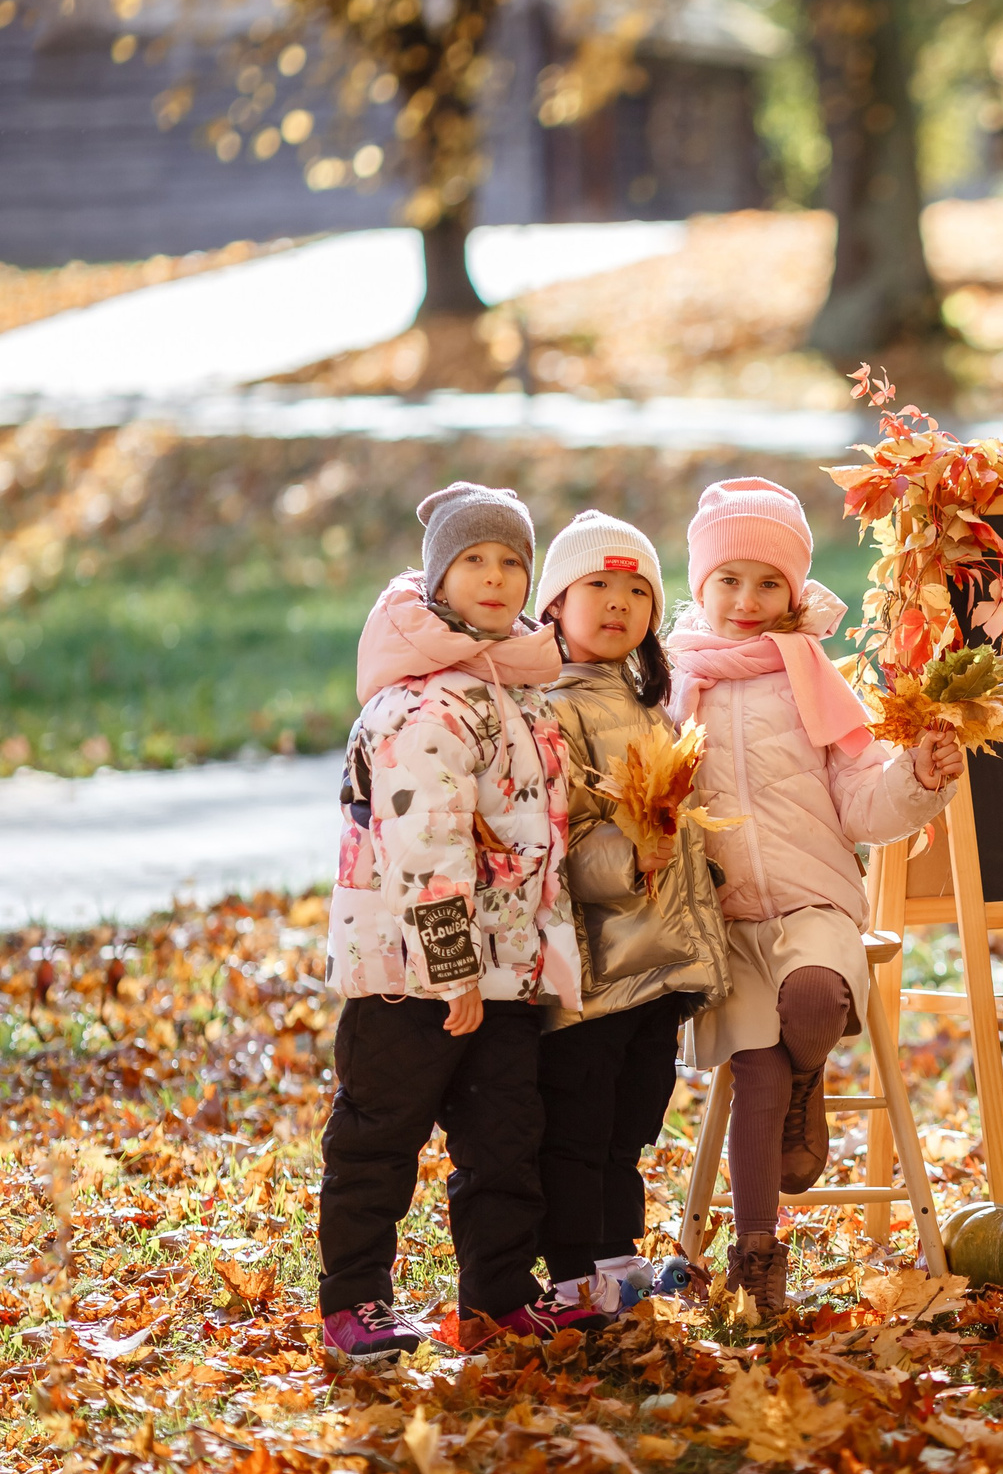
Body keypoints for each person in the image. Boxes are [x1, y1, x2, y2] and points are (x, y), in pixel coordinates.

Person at [316, 483, 604, 1363]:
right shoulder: (425, 703)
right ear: (438, 578)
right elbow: (426, 844)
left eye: (511, 561)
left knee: (505, 1140)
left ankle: (497, 1297)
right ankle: (355, 1299)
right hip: (411, 976)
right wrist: (452, 972)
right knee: (380, 1133)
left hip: (502, 970)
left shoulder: (516, 687)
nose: (494, 576)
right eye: (473, 560)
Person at [669, 478, 962, 1317]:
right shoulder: (672, 685)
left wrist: (917, 779)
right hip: (723, 922)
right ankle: (757, 1257)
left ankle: (809, 1078)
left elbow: (863, 801)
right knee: (756, 1067)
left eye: (769, 583)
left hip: (813, 906)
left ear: (794, 590)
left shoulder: (810, 677)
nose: (748, 601)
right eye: (729, 580)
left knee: (813, 999)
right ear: (701, 586)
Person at [534, 511, 727, 1314]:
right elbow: (563, 842)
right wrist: (630, 859)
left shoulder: (650, 705)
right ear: (553, 604)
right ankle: (574, 1273)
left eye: (638, 590)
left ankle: (617, 1258)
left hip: (656, 966)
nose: (619, 602)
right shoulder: (554, 710)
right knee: (580, 1128)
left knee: (631, 1126)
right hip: (596, 971)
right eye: (598, 585)